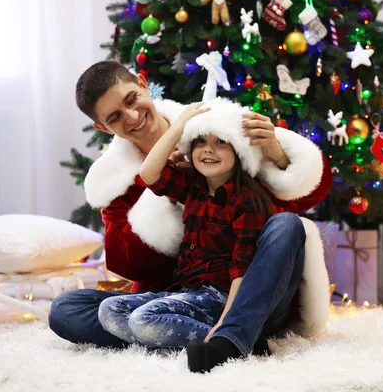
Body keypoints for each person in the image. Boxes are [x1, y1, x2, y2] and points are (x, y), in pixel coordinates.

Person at [48, 61, 332, 372]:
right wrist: (166, 199)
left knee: (287, 225)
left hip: (251, 294)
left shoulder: (213, 126)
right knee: (66, 309)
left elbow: (313, 190)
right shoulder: (114, 180)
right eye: (115, 117)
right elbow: (123, 262)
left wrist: (276, 153)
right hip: (178, 297)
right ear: (104, 128)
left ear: (143, 84)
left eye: (131, 100)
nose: (132, 117)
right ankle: (201, 336)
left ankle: (231, 333)